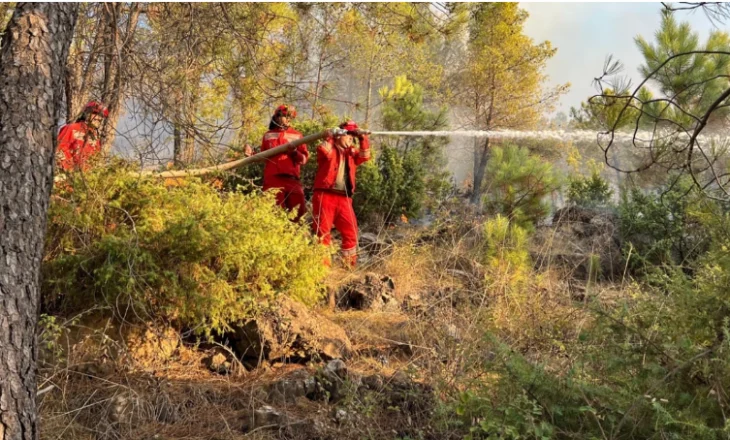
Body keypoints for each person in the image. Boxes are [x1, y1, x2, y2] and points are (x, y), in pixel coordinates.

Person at [312, 120, 371, 268]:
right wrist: (331, 136)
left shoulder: (352, 153)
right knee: (323, 235)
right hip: (325, 196)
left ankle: (348, 268)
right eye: (348, 134)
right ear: (339, 135)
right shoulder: (329, 147)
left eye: (353, 135)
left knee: (351, 232)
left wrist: (363, 138)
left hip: (344, 199)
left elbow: (365, 156)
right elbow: (323, 151)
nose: (351, 138)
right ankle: (322, 272)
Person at [260, 105, 309, 221]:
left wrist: (294, 153)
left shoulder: (298, 136)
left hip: (292, 179)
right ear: (277, 117)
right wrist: (251, 154)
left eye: (290, 117)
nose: (288, 119)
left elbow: (304, 159)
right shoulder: (267, 136)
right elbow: (262, 157)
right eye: (286, 116)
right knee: (274, 213)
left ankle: (293, 237)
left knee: (299, 211)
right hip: (273, 179)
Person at [57, 101, 109, 172]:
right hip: (68, 176)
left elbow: (96, 159)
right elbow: (58, 150)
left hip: (86, 179)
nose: (99, 118)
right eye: (95, 114)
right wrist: (67, 170)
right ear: (87, 114)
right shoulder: (71, 128)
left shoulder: (95, 137)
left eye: (101, 116)